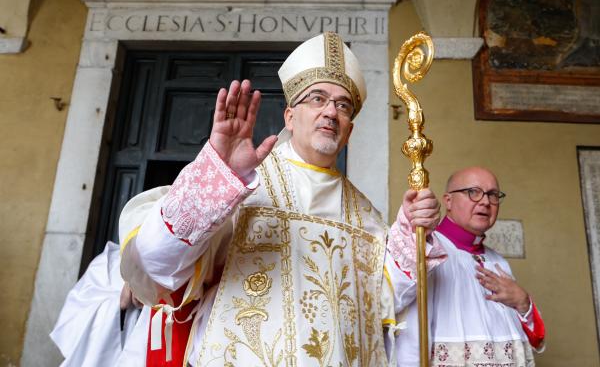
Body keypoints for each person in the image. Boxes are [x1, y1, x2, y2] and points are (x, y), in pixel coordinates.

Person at [118, 31, 443, 366]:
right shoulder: (239, 186)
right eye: (317, 98)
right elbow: (156, 264)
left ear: (349, 129)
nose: (330, 112)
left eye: (343, 105)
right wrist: (216, 175)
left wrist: (410, 231)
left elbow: (382, 302)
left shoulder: (366, 217)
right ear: (290, 116)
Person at [388, 166, 546, 366]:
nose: (486, 201)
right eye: (473, 192)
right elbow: (409, 336)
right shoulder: (426, 249)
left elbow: (535, 338)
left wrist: (523, 302)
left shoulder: (499, 261)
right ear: (448, 201)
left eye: (493, 195)